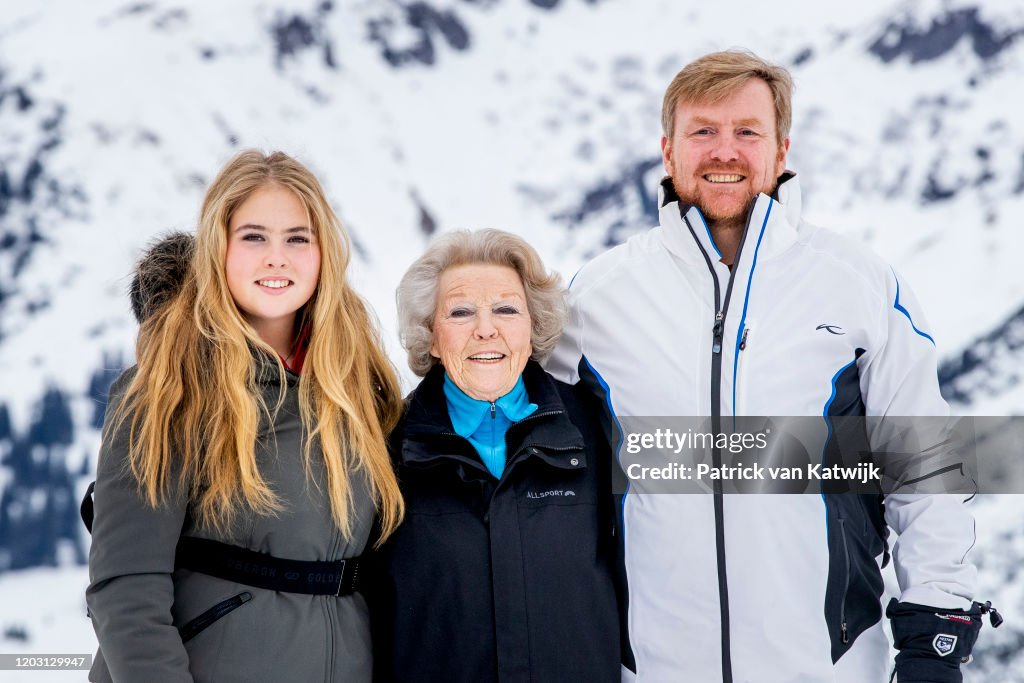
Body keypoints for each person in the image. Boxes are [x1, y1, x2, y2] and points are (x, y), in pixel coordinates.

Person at [547, 50, 991, 682]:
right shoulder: (597, 297)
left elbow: (924, 466)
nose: (724, 151)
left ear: (782, 150)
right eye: (703, 131)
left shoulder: (857, 284)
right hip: (653, 668)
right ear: (668, 151)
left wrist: (937, 626)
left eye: (746, 132)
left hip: (827, 666)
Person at [86, 150, 404, 682]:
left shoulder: (357, 388)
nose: (277, 258)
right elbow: (126, 590)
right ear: (218, 250)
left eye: (297, 238)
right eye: (254, 237)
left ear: (324, 252)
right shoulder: (170, 390)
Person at [369, 229, 624, 682]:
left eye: (506, 309)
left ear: (533, 326)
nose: (486, 328)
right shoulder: (383, 445)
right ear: (430, 335)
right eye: (461, 311)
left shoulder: (598, 427)